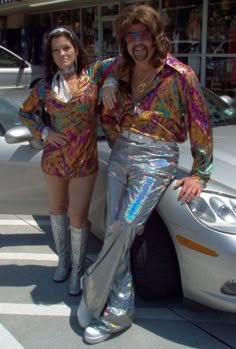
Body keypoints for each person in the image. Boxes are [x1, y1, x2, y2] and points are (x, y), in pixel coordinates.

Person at [77, 4, 213, 344]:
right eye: (130, 35)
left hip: (157, 159)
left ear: (156, 36)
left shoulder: (179, 75)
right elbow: (87, 73)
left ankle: (94, 291)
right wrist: (107, 79)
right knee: (113, 231)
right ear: (124, 40)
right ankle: (119, 308)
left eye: (144, 34)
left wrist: (199, 173)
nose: (138, 42)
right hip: (121, 151)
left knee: (126, 225)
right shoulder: (119, 67)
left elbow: (200, 122)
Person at [20, 26, 117, 296]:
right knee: (58, 209)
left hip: (84, 159)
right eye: (56, 50)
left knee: (78, 216)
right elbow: (25, 113)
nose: (62, 53)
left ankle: (78, 270)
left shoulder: (93, 75)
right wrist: (44, 132)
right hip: (54, 159)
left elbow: (120, 65)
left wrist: (109, 83)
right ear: (50, 56)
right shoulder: (45, 87)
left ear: (76, 49)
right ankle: (64, 262)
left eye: (66, 48)